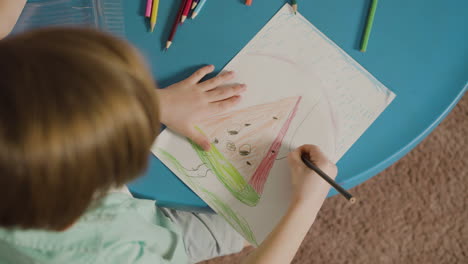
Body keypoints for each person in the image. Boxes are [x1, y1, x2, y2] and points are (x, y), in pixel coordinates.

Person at [0, 6, 337, 264]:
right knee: (263, 223)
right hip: (160, 238)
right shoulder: (111, 256)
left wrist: (159, 104)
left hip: (114, 216)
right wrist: (305, 203)